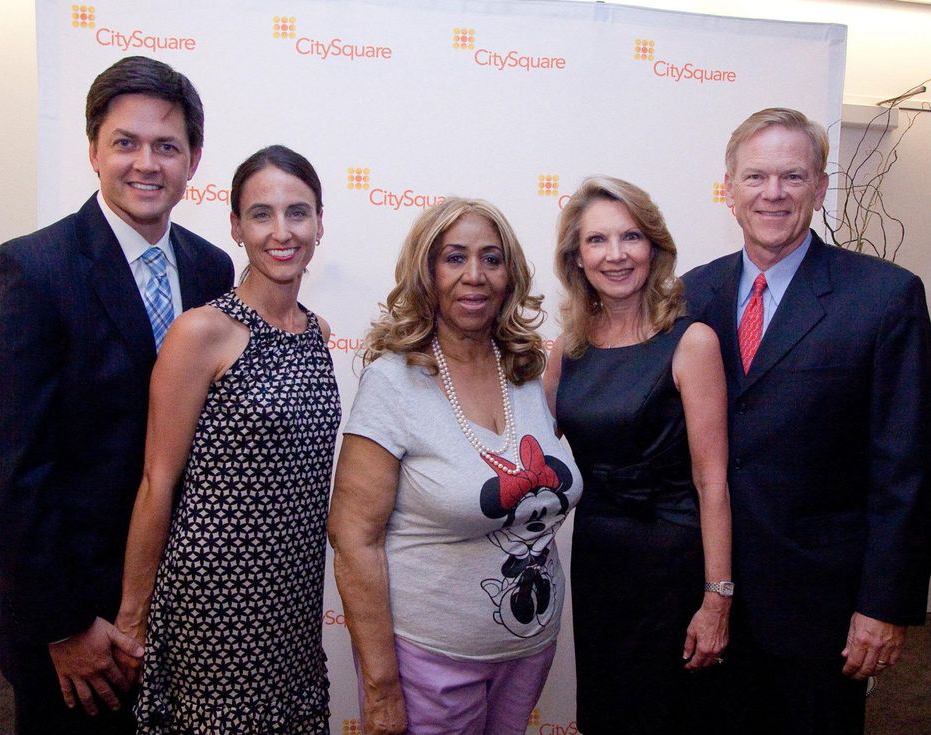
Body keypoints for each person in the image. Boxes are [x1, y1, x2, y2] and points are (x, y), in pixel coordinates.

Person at [0, 56, 233, 735]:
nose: (146, 163)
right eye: (125, 142)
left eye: (167, 146)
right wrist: (65, 623)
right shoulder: (30, 269)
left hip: (187, 609)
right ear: (93, 151)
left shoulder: (212, 267)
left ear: (193, 160)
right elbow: (5, 469)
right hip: (77, 627)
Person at [682, 107, 931, 735]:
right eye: (756, 177)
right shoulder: (688, 296)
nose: (773, 193)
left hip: (821, 611)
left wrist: (883, 604)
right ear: (729, 189)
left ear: (820, 189)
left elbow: (905, 467)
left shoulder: (884, 297)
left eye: (792, 176)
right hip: (703, 597)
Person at [328, 198, 582, 735]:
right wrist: (380, 687)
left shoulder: (527, 370)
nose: (475, 275)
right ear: (427, 271)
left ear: (510, 275)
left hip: (529, 652)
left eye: (491, 259)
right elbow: (354, 540)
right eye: (455, 258)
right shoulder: (393, 381)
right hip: (430, 665)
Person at [114, 145, 340, 733]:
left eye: (297, 212)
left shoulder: (317, 334)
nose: (281, 232)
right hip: (214, 601)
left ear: (319, 223)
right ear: (236, 227)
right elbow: (157, 481)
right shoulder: (202, 332)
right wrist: (133, 619)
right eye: (261, 214)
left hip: (293, 598)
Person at [543, 176, 732, 734]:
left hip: (673, 562)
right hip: (599, 559)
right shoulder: (567, 350)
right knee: (608, 713)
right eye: (597, 240)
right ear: (577, 258)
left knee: (670, 715)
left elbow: (713, 483)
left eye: (631, 236)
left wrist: (717, 598)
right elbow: (528, 447)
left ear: (654, 247)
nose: (616, 254)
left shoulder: (691, 341)